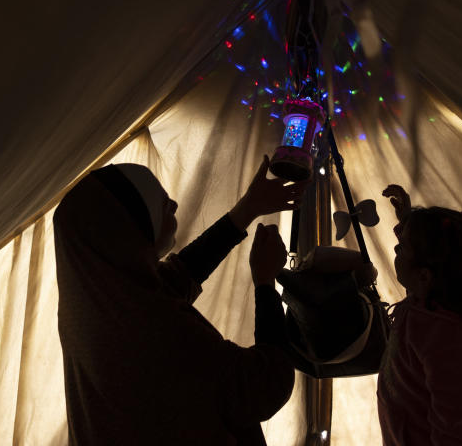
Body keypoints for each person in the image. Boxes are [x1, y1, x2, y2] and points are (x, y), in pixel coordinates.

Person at [53, 156, 303, 445]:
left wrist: (248, 209)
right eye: (157, 205)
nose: (173, 205)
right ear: (125, 231)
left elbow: (177, 276)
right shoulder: (152, 328)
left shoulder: (94, 303)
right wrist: (265, 282)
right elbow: (265, 385)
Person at [377, 184, 462, 446]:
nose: (396, 250)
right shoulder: (432, 300)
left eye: (402, 248)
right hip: (406, 428)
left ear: (424, 276)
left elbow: (452, 432)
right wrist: (407, 220)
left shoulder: (449, 344)